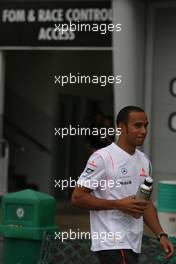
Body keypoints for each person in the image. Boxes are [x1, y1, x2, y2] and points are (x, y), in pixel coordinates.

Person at [71, 106, 174, 264]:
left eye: (145, 126)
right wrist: (118, 204)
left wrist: (161, 234)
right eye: (137, 125)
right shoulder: (102, 157)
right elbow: (77, 198)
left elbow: (144, 204)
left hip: (133, 242)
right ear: (121, 127)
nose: (143, 131)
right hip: (111, 242)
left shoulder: (144, 161)